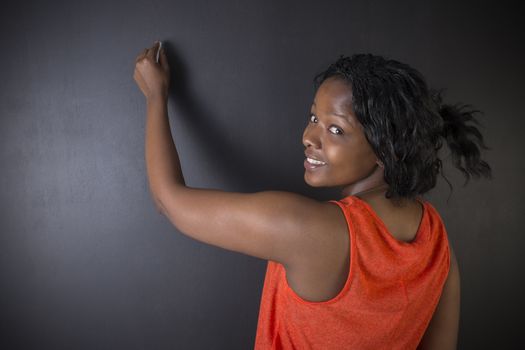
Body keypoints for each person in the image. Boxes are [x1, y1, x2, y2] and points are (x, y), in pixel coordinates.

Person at [133, 41, 491, 349]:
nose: (309, 136)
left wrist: (155, 96)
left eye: (336, 129)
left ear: (387, 151)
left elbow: (170, 201)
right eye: (314, 118)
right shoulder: (435, 237)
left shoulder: (311, 230)